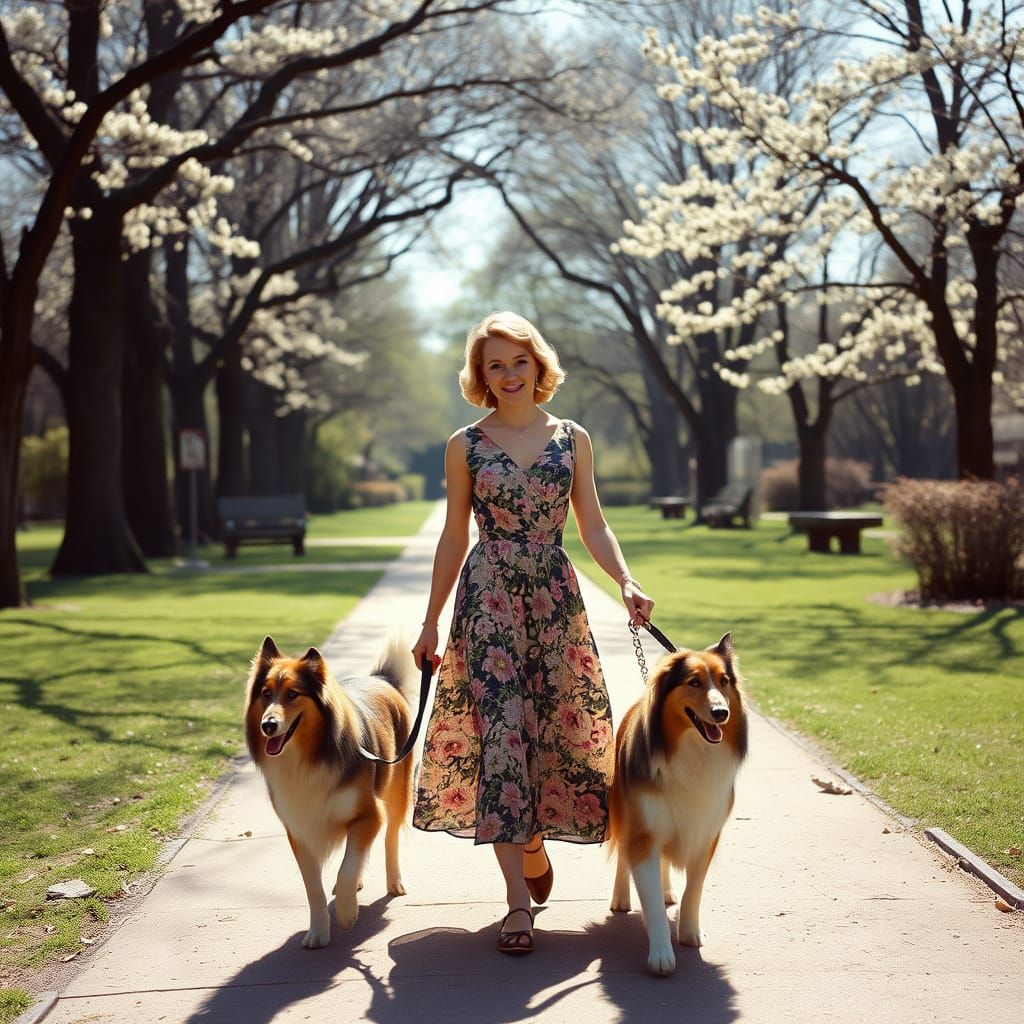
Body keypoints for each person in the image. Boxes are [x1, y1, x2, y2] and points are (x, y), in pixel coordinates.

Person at [411, 311, 654, 955]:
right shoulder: (464, 444)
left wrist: (627, 582)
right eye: (495, 364)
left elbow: (594, 523)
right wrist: (431, 620)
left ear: (538, 364)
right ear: (480, 375)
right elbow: (453, 535)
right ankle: (517, 904)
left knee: (560, 730)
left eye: (518, 361)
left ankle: (534, 841)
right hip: (488, 601)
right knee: (501, 736)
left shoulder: (572, 438)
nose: (509, 374)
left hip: (554, 599)